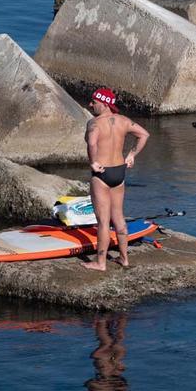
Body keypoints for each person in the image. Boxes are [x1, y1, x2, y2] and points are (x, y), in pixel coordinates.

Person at [83, 87, 149, 271]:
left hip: (102, 173)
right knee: (118, 217)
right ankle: (124, 258)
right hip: (119, 171)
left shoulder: (94, 123)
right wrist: (132, 155)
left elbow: (92, 143)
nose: (90, 104)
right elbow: (144, 134)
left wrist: (93, 162)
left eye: (93, 102)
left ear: (104, 104)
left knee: (103, 221)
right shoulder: (124, 121)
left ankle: (100, 263)